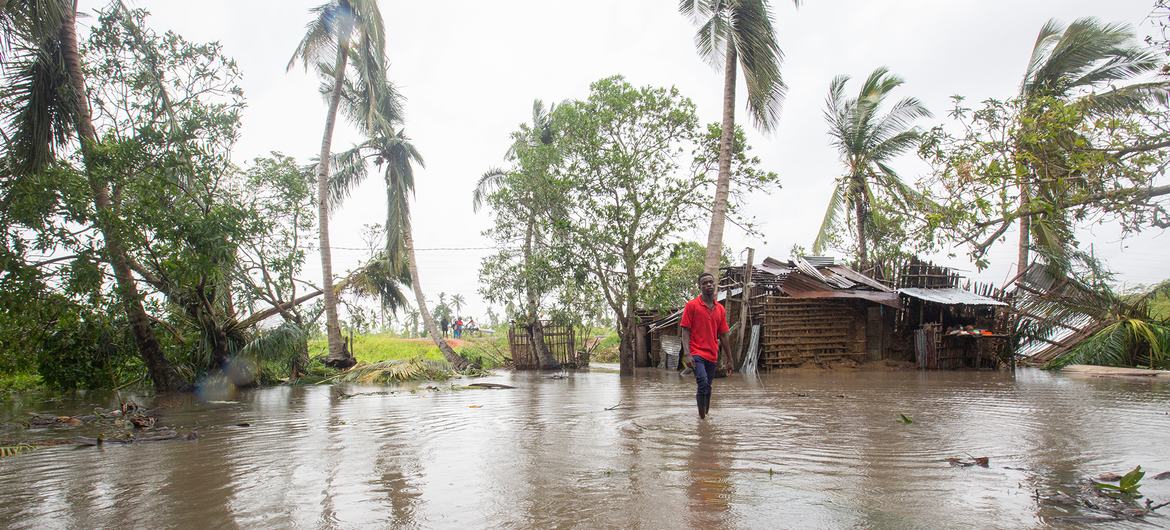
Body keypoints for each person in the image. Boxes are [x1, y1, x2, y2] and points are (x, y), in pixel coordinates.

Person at [680, 272, 728, 420]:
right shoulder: (692, 306)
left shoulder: (720, 309)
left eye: (710, 282)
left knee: (708, 386)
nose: (708, 285)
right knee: (702, 382)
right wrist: (687, 353)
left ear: (715, 285)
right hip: (696, 352)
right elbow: (685, 330)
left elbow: (724, 335)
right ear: (699, 287)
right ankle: (702, 421)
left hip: (712, 354)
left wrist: (730, 359)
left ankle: (706, 415)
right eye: (704, 283)